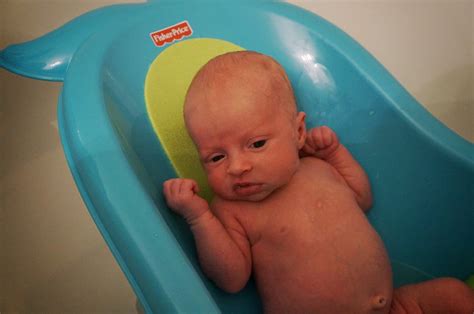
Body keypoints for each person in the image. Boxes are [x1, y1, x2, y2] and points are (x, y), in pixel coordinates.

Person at [163, 51, 474, 313]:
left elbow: (362, 198)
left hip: (396, 306)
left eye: (256, 144)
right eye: (216, 158)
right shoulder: (231, 210)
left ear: (298, 133)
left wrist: (336, 153)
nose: (238, 167)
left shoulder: (317, 168)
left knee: (453, 294)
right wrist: (199, 217)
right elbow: (232, 279)